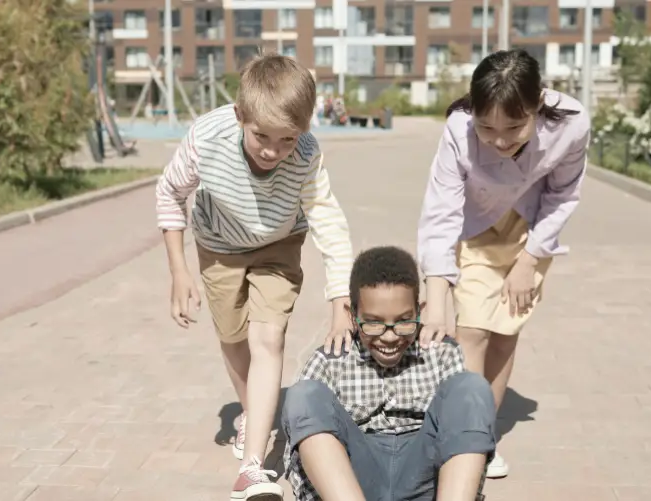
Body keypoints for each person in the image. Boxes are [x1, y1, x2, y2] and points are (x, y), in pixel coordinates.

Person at [155, 53, 354, 501]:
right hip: (218, 245)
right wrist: (179, 270)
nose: (272, 151)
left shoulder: (306, 153)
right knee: (232, 336)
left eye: (287, 140)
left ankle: (252, 467)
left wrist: (340, 298)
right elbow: (169, 193)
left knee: (268, 338)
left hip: (279, 244)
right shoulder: (207, 138)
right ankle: (252, 412)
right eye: (261, 136)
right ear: (240, 114)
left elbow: (327, 218)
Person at [416, 49, 591, 479]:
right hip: (475, 230)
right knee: (472, 330)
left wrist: (529, 260)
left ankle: (484, 435)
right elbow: (441, 211)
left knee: (504, 333)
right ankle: (467, 440)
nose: (499, 140)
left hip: (530, 234)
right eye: (487, 127)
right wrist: (435, 300)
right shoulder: (458, 129)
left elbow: (563, 195)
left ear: (538, 104)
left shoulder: (571, 124)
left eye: (514, 127)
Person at [281, 246, 496, 501]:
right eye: (373, 323)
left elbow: (467, 432)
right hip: (356, 483)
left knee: (471, 388)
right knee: (304, 395)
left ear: (420, 312)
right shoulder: (331, 360)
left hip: (425, 481)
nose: (390, 336)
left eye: (404, 321)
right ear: (352, 316)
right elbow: (304, 442)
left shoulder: (441, 354)